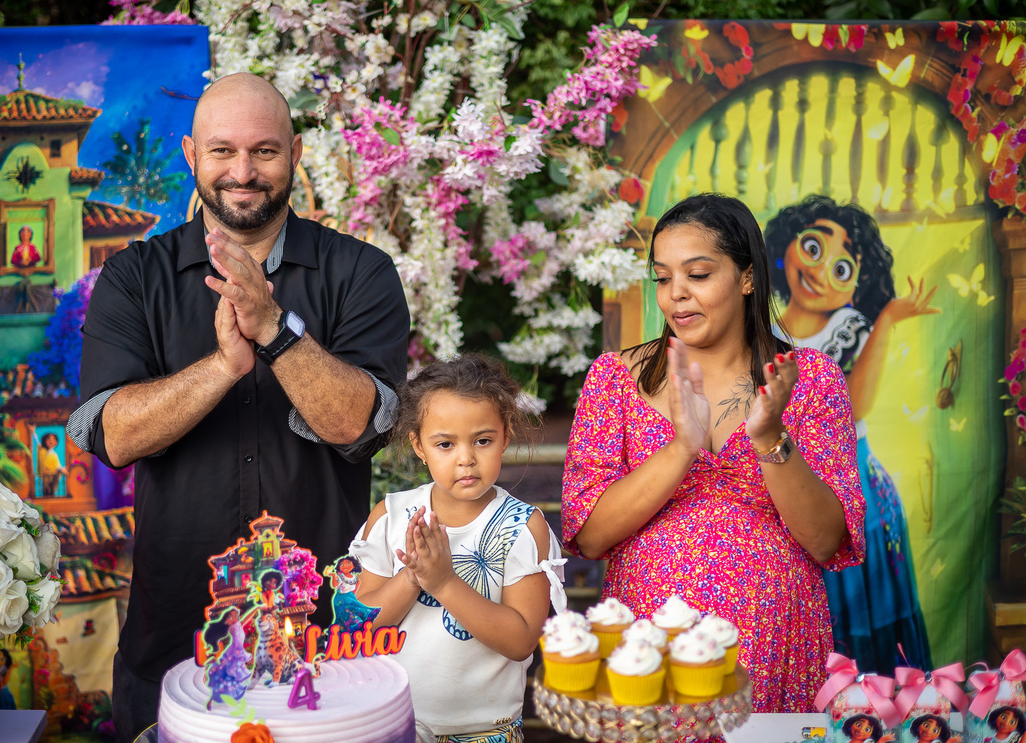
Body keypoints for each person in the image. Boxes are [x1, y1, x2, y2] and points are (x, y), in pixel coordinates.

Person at [67, 72, 410, 743]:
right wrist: (223, 368)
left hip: (325, 646)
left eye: (265, 151)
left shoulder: (361, 273)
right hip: (176, 638)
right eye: (223, 151)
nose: (243, 172)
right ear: (192, 154)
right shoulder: (135, 277)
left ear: (296, 154)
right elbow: (113, 434)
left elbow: (359, 425)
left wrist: (276, 331)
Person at [561, 193, 866, 713]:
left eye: (698, 274)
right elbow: (588, 535)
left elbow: (823, 541)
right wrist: (683, 447)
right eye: (662, 278)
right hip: (651, 658)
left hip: (776, 651)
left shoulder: (810, 380)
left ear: (746, 278)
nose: (676, 294)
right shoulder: (615, 379)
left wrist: (769, 436)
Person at [352, 353, 565, 743]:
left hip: (486, 731)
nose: (466, 459)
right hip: (395, 725)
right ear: (419, 445)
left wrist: (444, 582)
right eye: (445, 444)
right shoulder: (391, 516)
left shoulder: (521, 526)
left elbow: (521, 641)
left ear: (505, 436)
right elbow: (359, 629)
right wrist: (412, 577)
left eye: (483, 441)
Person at [764, 195, 935, 673]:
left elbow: (853, 407)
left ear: (857, 287)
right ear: (785, 246)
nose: (820, 272)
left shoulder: (850, 328)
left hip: (850, 486)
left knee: (854, 621)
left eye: (842, 269)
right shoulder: (759, 329)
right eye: (813, 248)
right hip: (775, 483)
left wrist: (886, 322)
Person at [323, 555, 379, 631]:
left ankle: (355, 625)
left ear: (354, 565)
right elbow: (334, 585)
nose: (345, 566)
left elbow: (355, 589)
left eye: (348, 564)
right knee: (343, 613)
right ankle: (354, 623)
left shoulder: (356, 578)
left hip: (350, 597)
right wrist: (333, 576)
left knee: (355, 609)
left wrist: (351, 597)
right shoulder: (339, 576)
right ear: (339, 567)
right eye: (342, 565)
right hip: (340, 598)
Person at [37, 431, 67, 497]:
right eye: (49, 439)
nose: (51, 441)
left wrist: (62, 470)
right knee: (46, 491)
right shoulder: (42, 451)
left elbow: (57, 466)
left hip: (52, 477)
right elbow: (37, 442)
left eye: (54, 439)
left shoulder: (54, 455)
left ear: (56, 442)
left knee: (51, 492)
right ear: (44, 441)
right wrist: (33, 432)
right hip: (45, 477)